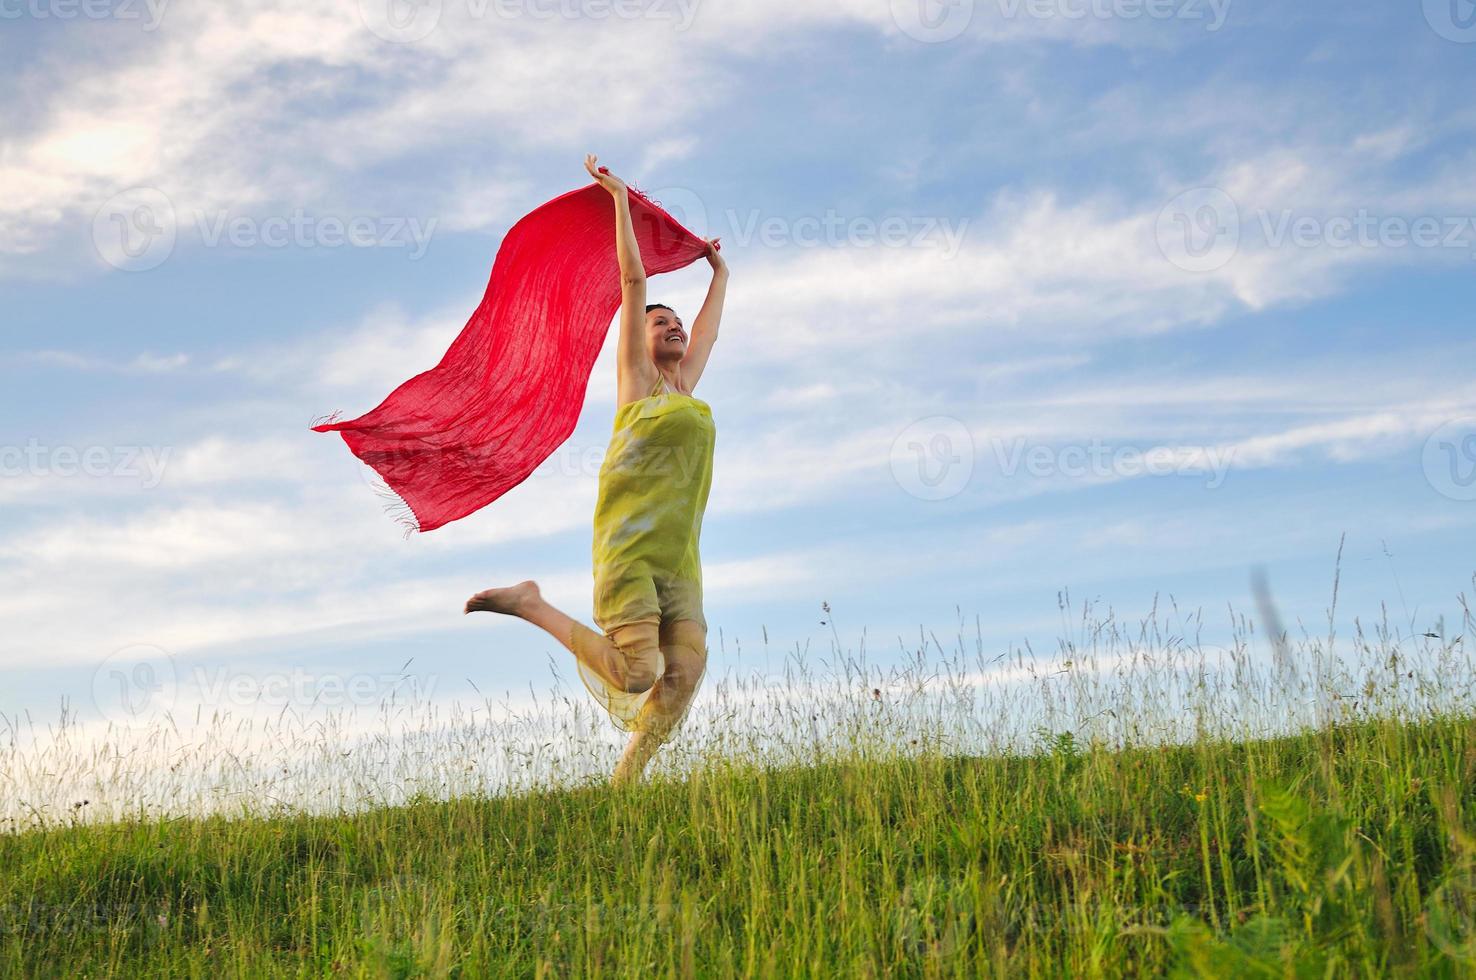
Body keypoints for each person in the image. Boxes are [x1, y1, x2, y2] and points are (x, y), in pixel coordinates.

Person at [465, 154, 728, 786]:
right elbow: (633, 283)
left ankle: (624, 783)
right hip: (630, 552)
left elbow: (711, 332)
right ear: (638, 341)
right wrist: (616, 199)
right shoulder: (637, 387)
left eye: (676, 322)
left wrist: (720, 272)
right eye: (660, 323)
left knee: (685, 673)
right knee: (638, 673)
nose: (672, 326)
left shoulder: (686, 387)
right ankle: (531, 605)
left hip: (679, 559)